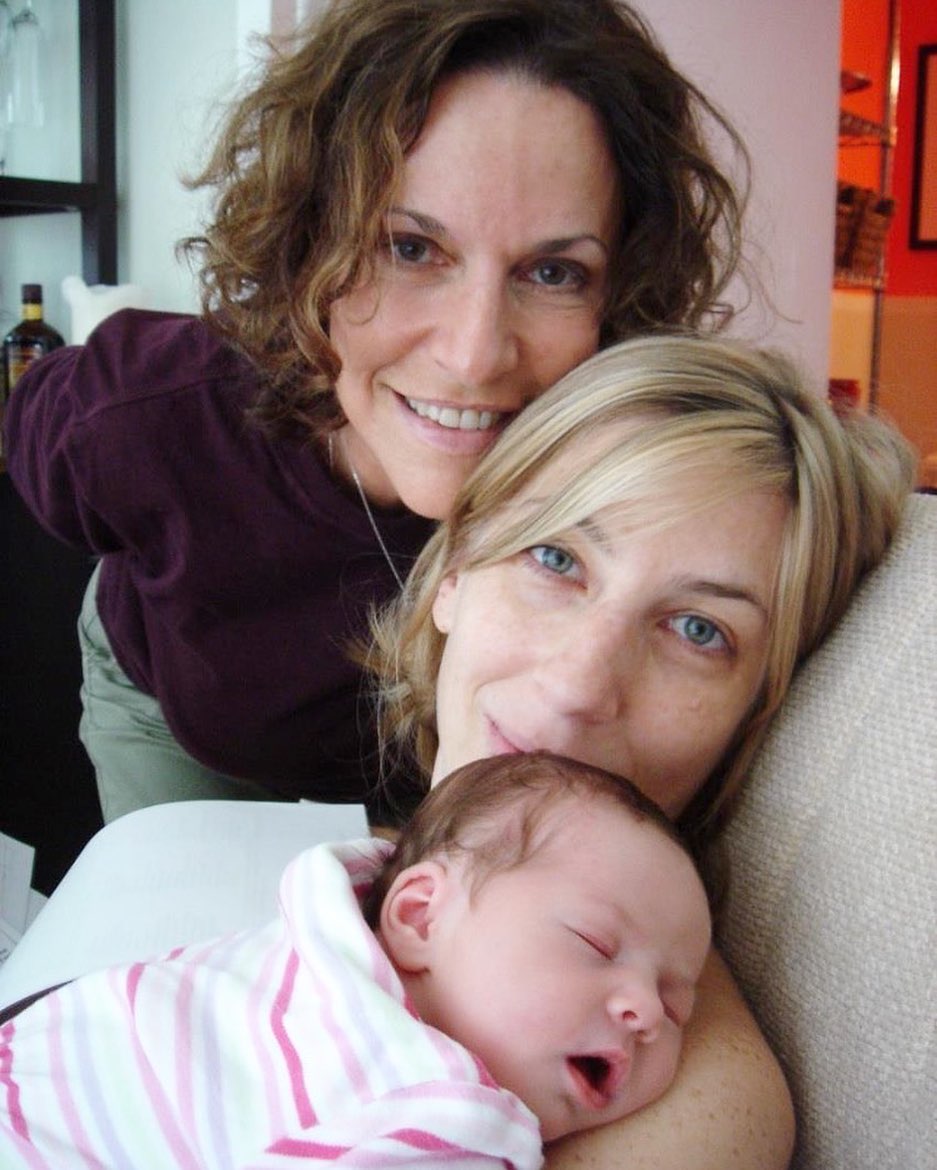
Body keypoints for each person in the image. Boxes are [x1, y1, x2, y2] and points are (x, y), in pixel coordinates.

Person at [1, 0, 746, 827]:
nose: (473, 356)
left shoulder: (613, 475)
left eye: (553, 273)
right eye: (409, 248)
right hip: (174, 717)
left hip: (389, 776)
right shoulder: (146, 416)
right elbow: (38, 419)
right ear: (308, 244)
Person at [364, 332, 916, 1166]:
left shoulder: (692, 1105)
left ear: (752, 717)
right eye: (555, 558)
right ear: (456, 573)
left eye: (697, 630)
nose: (578, 685)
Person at [0, 752, 711, 1167]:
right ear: (419, 914)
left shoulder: (319, 921)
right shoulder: (452, 1118)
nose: (648, 1012)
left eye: (678, 1005)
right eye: (595, 945)